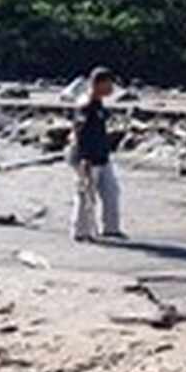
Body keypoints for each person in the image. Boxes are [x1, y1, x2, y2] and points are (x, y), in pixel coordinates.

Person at [69, 67, 125, 242]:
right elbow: (79, 133)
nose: (111, 89)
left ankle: (111, 228)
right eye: (109, 84)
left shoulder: (99, 104)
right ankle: (80, 231)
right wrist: (83, 158)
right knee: (86, 194)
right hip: (87, 157)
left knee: (112, 191)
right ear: (98, 84)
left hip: (102, 155)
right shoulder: (85, 105)